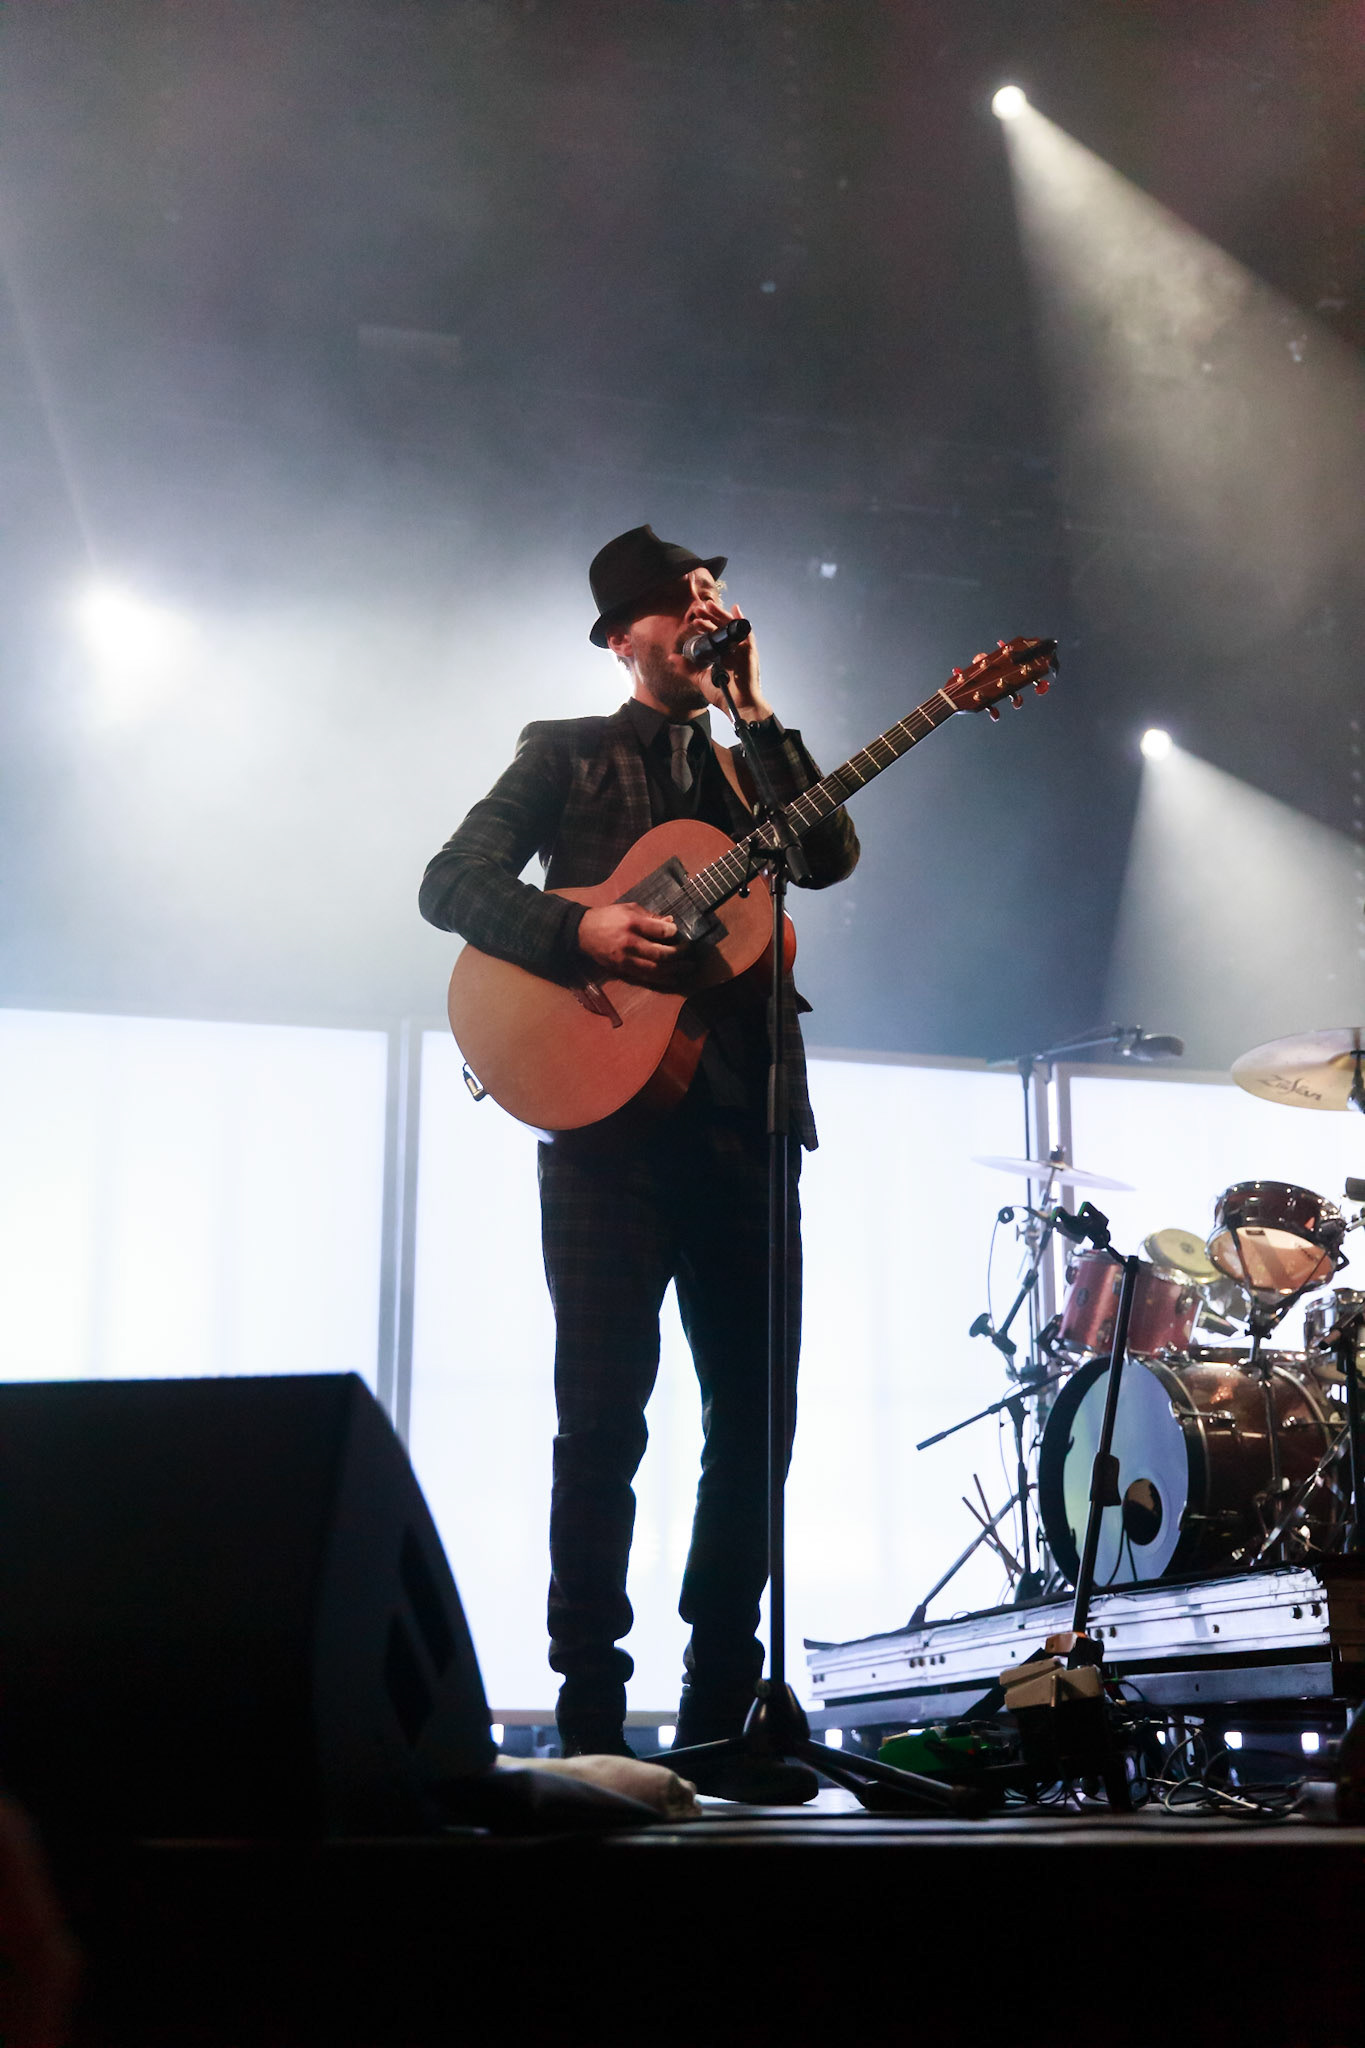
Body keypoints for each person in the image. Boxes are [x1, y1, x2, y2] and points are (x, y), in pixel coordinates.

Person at [419, 525, 859, 1801]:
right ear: (623, 635)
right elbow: (451, 882)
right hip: (608, 1134)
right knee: (603, 1422)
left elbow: (824, 856)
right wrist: (582, 927)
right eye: (679, 600)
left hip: (748, 1121)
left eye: (716, 587)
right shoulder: (564, 750)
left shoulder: (748, 770)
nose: (706, 607)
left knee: (752, 1429)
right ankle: (592, 1716)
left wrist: (762, 713)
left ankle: (722, 1707)